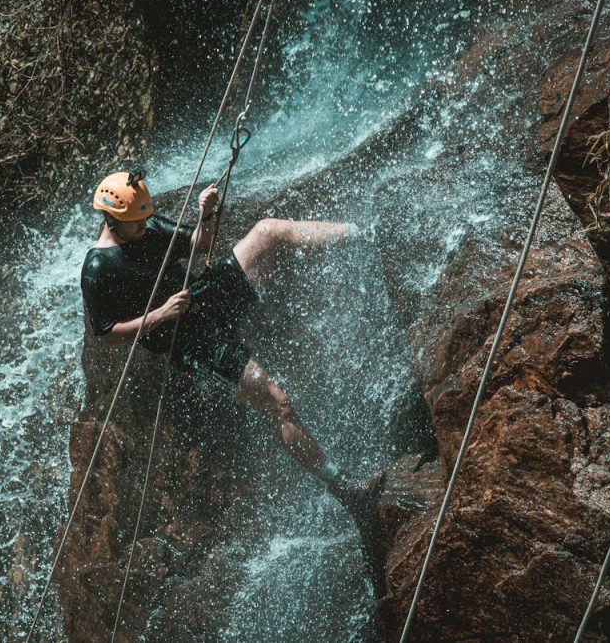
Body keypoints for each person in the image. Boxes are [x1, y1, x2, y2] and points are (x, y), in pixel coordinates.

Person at [79, 170, 384, 553]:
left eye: (143, 219)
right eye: (135, 223)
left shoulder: (146, 225)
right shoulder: (97, 269)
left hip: (199, 297)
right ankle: (347, 490)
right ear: (111, 220)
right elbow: (106, 334)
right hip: (188, 340)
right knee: (279, 401)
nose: (143, 227)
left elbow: (197, 243)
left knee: (268, 231)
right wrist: (160, 314)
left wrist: (205, 214)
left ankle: (368, 233)